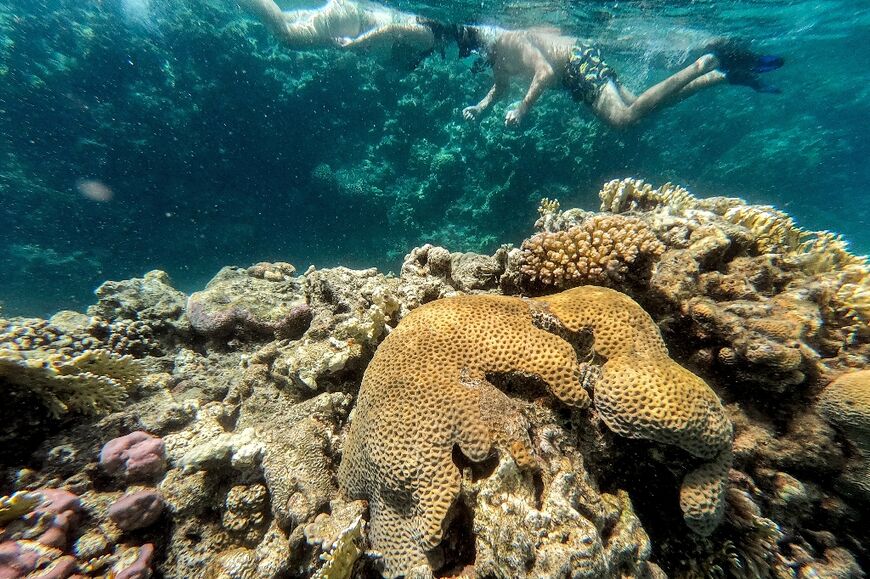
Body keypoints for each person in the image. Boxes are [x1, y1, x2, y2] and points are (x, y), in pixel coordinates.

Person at [458, 26, 784, 128]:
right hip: (580, 63)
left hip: (576, 66)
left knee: (624, 118)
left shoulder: (512, 41)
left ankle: (701, 65)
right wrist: (481, 106)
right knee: (639, 104)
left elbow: (544, 71)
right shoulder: (495, 56)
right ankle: (724, 75)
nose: (478, 57)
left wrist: (523, 108)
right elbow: (500, 85)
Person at [239, 0, 443, 62]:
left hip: (351, 16)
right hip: (355, 22)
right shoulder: (431, 37)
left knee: (286, 21)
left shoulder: (433, 38)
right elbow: (393, 29)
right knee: (288, 36)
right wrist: (358, 43)